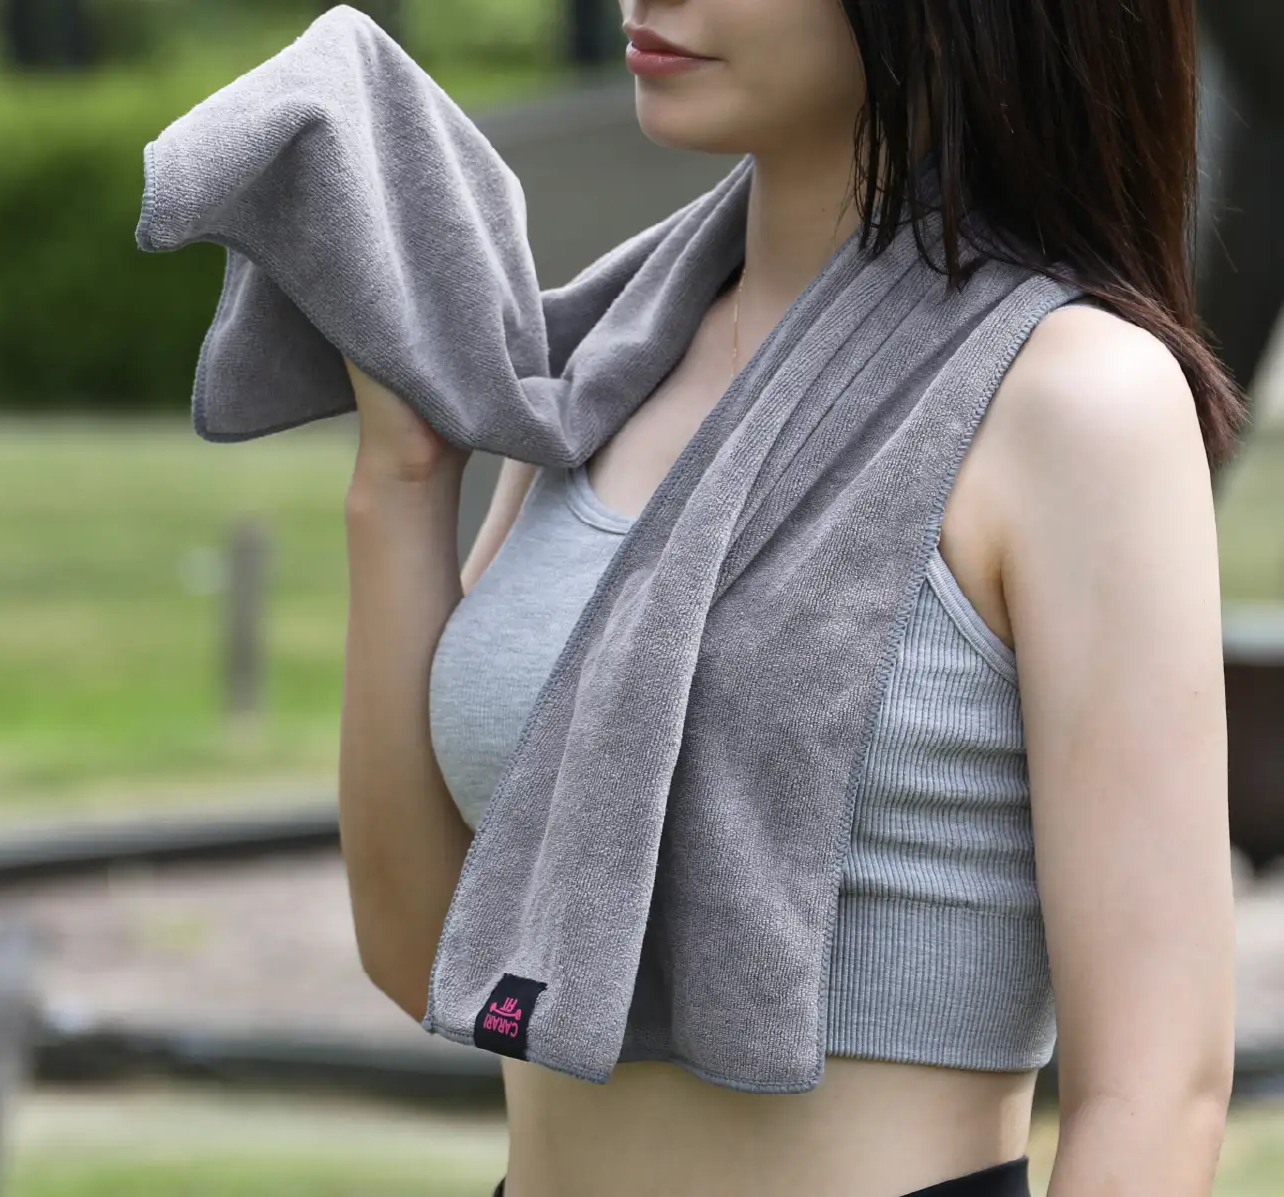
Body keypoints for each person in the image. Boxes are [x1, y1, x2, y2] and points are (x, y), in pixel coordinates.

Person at [337, 2, 1242, 1195]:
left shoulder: (1073, 399)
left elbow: (1156, 1092)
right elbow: (431, 951)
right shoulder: (606, 362)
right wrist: (402, 481)